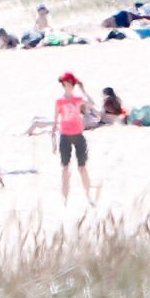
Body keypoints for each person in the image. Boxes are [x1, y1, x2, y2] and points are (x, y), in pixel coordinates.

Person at [51, 73, 92, 203]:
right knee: (65, 168)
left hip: (78, 135)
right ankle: (65, 199)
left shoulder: (78, 99)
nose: (68, 86)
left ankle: (88, 195)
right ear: (63, 84)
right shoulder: (59, 101)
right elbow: (55, 121)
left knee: (82, 167)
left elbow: (91, 103)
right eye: (66, 83)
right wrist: (53, 143)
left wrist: (83, 89)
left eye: (70, 83)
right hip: (65, 135)